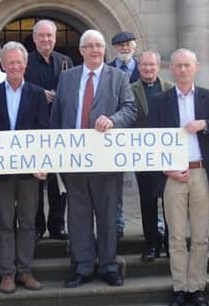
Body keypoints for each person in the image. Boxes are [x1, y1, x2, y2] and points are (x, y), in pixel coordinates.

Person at [50, 29, 137, 288]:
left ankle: (109, 265)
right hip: (74, 160)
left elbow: (130, 109)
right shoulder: (66, 78)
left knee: (108, 215)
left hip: (106, 161)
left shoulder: (119, 78)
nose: (96, 50)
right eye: (90, 46)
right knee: (78, 216)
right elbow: (57, 117)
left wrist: (113, 120)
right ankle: (83, 266)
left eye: (99, 45)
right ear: (81, 50)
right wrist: (56, 157)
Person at [148, 49, 209, 306]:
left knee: (201, 236)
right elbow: (152, 142)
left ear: (196, 67)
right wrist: (165, 169)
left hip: (202, 172)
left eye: (187, 65)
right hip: (173, 175)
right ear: (171, 69)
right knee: (177, 237)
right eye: (178, 65)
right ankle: (179, 288)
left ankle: (197, 288)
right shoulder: (159, 101)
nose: (182, 70)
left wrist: (206, 124)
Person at [0, 42, 49, 294]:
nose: (15, 67)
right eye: (10, 63)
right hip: (2, 172)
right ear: (3, 66)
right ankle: (7, 273)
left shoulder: (38, 94)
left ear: (25, 65)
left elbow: (44, 132)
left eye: (19, 63)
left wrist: (44, 165)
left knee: (28, 223)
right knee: (5, 223)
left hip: (30, 173)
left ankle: (25, 271)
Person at [24, 19, 74, 241]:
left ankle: (57, 224)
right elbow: (21, 89)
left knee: (58, 183)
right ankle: (37, 226)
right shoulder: (25, 61)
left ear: (55, 38)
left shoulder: (66, 61)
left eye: (49, 36)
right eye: (41, 36)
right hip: (34, 130)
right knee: (35, 182)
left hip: (59, 131)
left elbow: (73, 91)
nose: (46, 40)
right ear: (34, 38)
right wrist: (40, 94)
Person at [131, 50, 174, 261]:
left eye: (152, 65)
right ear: (139, 67)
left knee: (170, 201)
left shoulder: (170, 89)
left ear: (159, 66)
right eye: (144, 65)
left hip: (166, 155)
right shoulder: (130, 90)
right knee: (147, 202)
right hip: (143, 156)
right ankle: (151, 244)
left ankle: (170, 244)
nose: (148, 68)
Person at [108, 31, 140, 238]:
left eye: (128, 44)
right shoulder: (108, 69)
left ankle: (155, 222)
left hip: (139, 134)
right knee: (114, 183)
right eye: (120, 45)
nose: (124, 48)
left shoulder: (144, 68)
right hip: (115, 134)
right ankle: (118, 223)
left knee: (146, 181)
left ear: (134, 46)